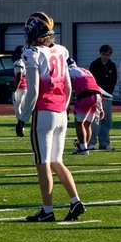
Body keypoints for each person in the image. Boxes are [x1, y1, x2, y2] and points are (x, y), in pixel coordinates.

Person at [18, 11, 85, 222]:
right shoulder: (61, 51)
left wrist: (22, 116)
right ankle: (75, 200)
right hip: (60, 112)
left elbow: (33, 91)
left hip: (44, 112)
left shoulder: (33, 54)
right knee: (57, 160)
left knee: (43, 162)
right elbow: (68, 85)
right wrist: (63, 108)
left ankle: (47, 210)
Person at [68, 60, 106, 154]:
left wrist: (66, 106)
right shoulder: (85, 71)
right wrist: (101, 108)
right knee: (87, 124)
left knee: (79, 123)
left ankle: (83, 148)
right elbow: (94, 86)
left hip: (85, 96)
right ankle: (85, 147)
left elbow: (67, 89)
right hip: (97, 96)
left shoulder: (67, 71)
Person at [88, 45, 117, 151]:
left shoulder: (112, 65)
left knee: (107, 120)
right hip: (96, 96)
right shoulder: (94, 65)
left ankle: (104, 143)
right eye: (103, 54)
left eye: (107, 55)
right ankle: (91, 143)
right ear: (100, 54)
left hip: (108, 96)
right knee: (95, 119)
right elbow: (91, 80)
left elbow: (114, 80)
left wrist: (109, 92)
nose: (105, 57)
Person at [12, 45, 27, 137]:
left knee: (18, 108)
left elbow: (19, 77)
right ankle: (21, 125)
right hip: (25, 87)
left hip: (21, 88)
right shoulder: (25, 62)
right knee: (22, 107)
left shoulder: (19, 63)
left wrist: (14, 90)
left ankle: (20, 126)